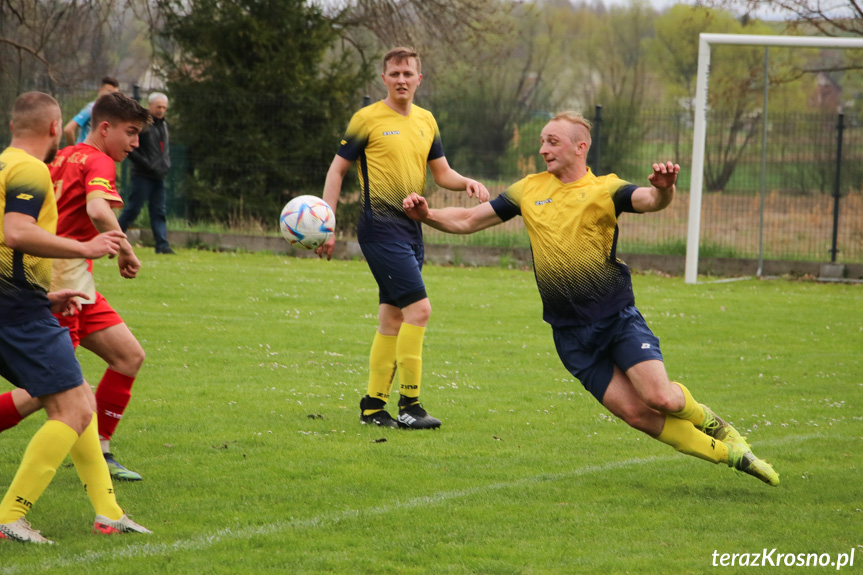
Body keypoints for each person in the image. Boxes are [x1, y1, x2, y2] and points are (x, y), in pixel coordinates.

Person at [402, 111, 779, 486]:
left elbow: (650, 200)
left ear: (580, 147)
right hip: (570, 336)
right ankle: (734, 456)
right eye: (542, 141)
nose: (543, 149)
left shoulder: (605, 190)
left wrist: (665, 188)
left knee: (661, 398)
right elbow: (469, 220)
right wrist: (428, 214)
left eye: (553, 141)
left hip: (617, 319)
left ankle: (713, 424)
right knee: (636, 415)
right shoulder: (528, 189)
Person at [0, 91, 151, 544]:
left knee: (77, 397)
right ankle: (10, 515)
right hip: (18, 304)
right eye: (131, 133)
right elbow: (15, 232)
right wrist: (89, 248)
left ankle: (108, 512)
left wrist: (46, 295)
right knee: (66, 405)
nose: (135, 143)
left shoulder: (7, 163)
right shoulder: (29, 169)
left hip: (28, 298)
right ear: (53, 127)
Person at [316, 47, 490, 430]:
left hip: (412, 229)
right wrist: (326, 223)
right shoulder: (366, 119)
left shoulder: (427, 120)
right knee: (420, 310)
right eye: (394, 73)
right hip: (379, 229)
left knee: (392, 318)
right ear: (384, 79)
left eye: (408, 73)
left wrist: (468, 183)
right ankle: (410, 404)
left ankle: (373, 407)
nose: (401, 79)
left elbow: (442, 173)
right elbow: (337, 170)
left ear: (419, 79)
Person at [118, 92, 174, 254]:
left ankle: (162, 245)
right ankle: (112, 237)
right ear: (150, 106)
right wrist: (146, 164)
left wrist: (165, 165)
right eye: (158, 107)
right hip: (142, 175)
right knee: (133, 209)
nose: (161, 110)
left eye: (164, 107)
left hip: (159, 176)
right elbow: (131, 148)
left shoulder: (164, 125)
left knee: (159, 211)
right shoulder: (142, 125)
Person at [63, 76, 120, 146]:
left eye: (115, 94)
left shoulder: (110, 113)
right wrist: (74, 150)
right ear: (101, 91)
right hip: (84, 153)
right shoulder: (92, 108)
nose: (112, 97)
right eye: (109, 92)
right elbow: (68, 129)